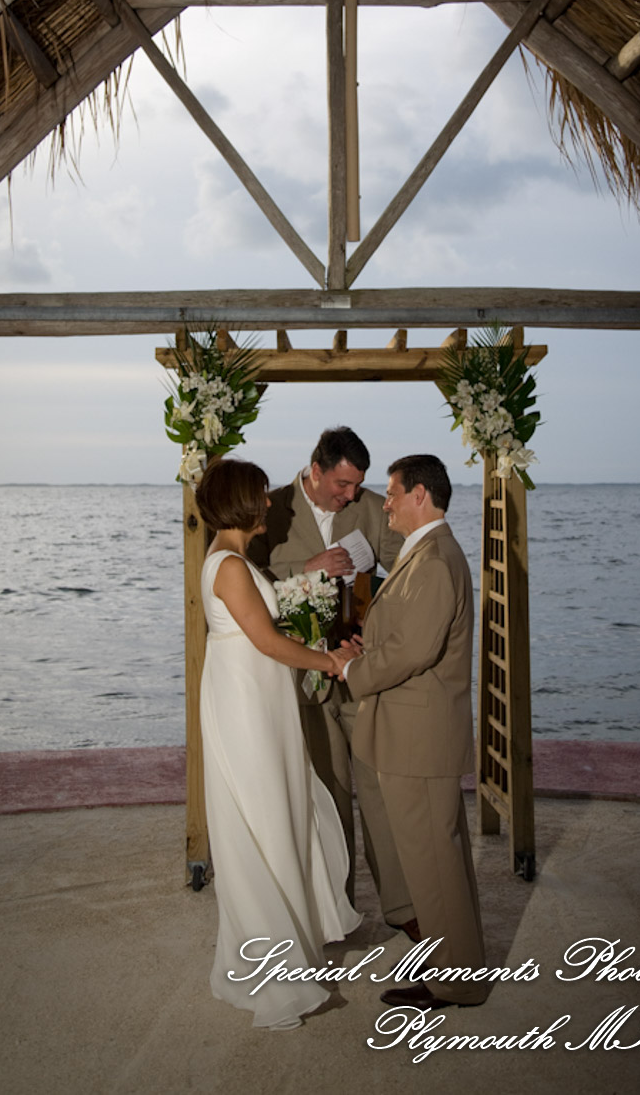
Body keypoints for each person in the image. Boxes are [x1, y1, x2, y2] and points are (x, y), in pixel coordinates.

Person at [196, 456, 361, 1030]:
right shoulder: (231, 566)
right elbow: (266, 642)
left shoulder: (234, 560)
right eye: (261, 496)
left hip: (258, 701)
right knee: (262, 823)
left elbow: (269, 632)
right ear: (241, 500)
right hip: (247, 707)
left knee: (283, 814)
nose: (269, 503)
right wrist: (331, 663)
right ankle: (272, 974)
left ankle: (289, 945)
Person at [248, 427, 416, 936]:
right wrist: (310, 568)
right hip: (299, 678)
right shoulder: (270, 509)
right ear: (315, 470)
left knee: (382, 791)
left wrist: (377, 620)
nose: (351, 496)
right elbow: (247, 590)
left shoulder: (368, 506)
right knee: (327, 798)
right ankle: (335, 912)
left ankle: (405, 909)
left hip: (361, 672)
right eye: (342, 485)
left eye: (358, 485)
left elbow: (408, 572)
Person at [335, 454, 488, 1010]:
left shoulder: (434, 560)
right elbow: (403, 637)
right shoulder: (423, 554)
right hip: (414, 730)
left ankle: (456, 984)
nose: (387, 504)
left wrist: (352, 669)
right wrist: (368, 648)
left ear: (420, 495)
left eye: (394, 493)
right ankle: (461, 969)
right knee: (438, 860)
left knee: (434, 863)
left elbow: (415, 650)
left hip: (419, 738)